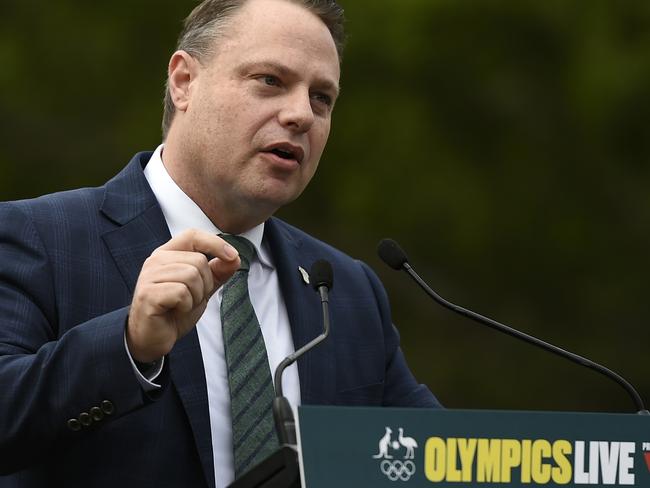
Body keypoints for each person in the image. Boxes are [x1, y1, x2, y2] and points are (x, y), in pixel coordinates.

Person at [0, 0, 441, 486]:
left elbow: (440, 461)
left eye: (321, 98)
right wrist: (127, 347)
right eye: (271, 80)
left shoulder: (348, 292)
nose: (300, 115)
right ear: (184, 82)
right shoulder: (39, 238)